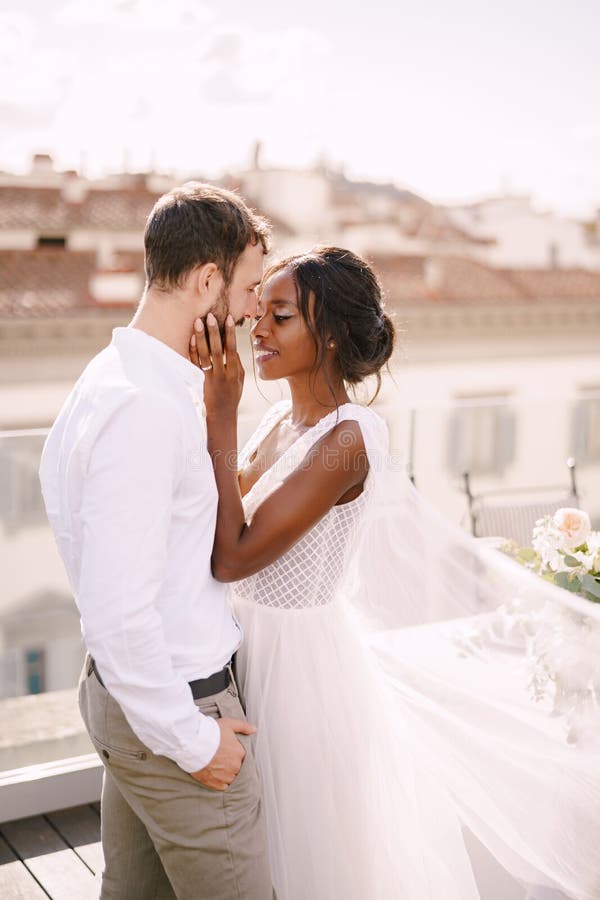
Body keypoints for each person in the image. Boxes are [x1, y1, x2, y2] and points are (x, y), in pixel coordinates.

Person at [190, 246, 600, 900]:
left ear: (330, 336)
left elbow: (234, 554)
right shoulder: (277, 420)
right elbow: (219, 511)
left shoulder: (348, 440)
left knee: (307, 853)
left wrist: (218, 415)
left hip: (297, 671)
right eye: (257, 312)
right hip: (246, 648)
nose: (257, 329)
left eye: (280, 315)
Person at [39, 182, 275, 900]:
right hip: (173, 711)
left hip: (133, 703)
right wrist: (197, 742)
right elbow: (117, 612)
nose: (252, 310)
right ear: (207, 280)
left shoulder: (115, 377)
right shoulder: (144, 409)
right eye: (248, 287)